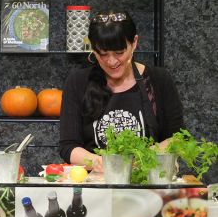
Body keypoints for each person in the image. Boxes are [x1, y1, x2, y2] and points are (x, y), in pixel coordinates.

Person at [59, 10, 183, 172]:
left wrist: (144, 157)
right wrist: (100, 163)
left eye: (119, 53)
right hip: (96, 183)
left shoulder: (158, 79)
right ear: (93, 49)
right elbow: (68, 146)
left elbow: (177, 138)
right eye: (103, 54)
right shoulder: (77, 81)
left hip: (148, 181)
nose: (111, 62)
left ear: (134, 43)